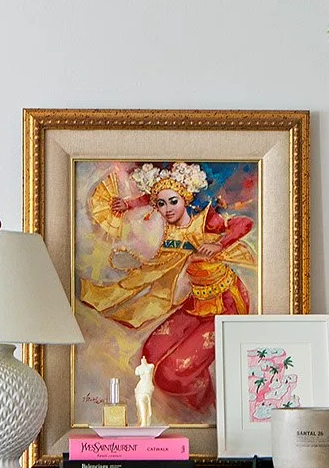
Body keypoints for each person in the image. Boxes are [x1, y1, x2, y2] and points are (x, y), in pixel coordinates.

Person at [80, 162, 255, 415]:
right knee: (150, 353)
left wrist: (220, 245)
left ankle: (207, 408)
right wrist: (127, 205)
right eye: (161, 204)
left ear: (185, 198)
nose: (167, 209)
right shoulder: (166, 228)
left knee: (173, 373)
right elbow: (148, 200)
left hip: (225, 304)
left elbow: (243, 224)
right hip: (195, 302)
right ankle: (199, 393)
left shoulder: (206, 219)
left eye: (173, 202)